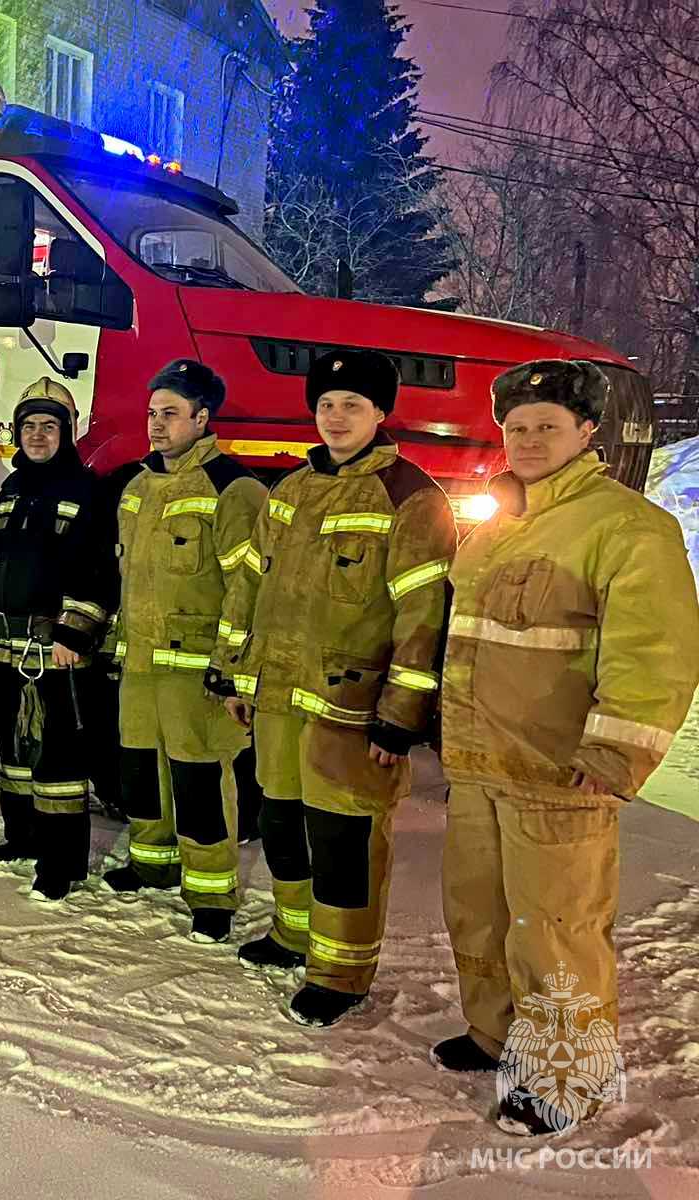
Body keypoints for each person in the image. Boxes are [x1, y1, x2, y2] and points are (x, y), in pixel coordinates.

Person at [435, 360, 699, 1135]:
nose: (527, 439)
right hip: (482, 764)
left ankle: (563, 1078)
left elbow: (654, 654)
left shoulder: (627, 526)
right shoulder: (499, 524)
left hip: (560, 775)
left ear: (588, 432)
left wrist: (615, 756)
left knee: (557, 929)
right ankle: (494, 1034)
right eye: (516, 427)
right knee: (479, 914)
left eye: (546, 426)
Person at [207, 348, 456, 1027]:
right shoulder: (291, 491)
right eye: (326, 405)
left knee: (344, 843)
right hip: (281, 699)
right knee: (283, 824)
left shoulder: (411, 497)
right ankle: (293, 935)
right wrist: (236, 672)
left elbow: (421, 616)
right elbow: (250, 588)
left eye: (352, 405)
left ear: (380, 413)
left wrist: (401, 716)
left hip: (351, 712)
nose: (336, 417)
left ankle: (342, 973)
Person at [109, 360, 267, 942]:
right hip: (140, 664)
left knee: (200, 784)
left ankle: (211, 892)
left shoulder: (234, 488)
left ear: (203, 419)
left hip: (198, 672)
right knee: (142, 774)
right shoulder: (136, 486)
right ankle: (152, 861)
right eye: (152, 414)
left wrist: (229, 670)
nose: (156, 425)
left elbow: (245, 589)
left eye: (170, 414)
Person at [0, 378, 114, 899]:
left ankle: (60, 863)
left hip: (50, 648)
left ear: (67, 433)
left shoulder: (86, 489)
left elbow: (100, 570)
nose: (37, 435)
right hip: (4, 642)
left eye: (48, 426)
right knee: (14, 746)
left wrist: (74, 633)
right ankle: (23, 838)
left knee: (58, 758)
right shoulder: (12, 488)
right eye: (29, 426)